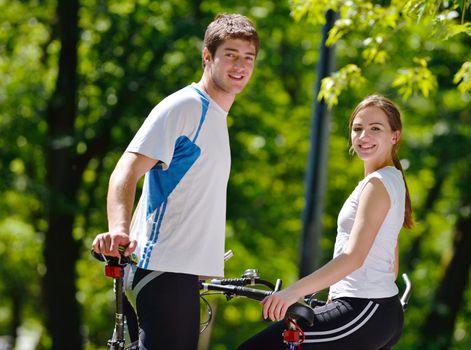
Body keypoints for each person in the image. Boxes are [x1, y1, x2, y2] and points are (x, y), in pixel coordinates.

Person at [91, 13, 259, 350]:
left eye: (248, 57)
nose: (240, 65)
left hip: (180, 274)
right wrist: (119, 230)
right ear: (207, 57)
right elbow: (126, 169)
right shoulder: (186, 106)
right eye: (230, 55)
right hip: (162, 269)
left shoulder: (216, 116)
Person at [238, 95, 414, 350]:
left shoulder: (377, 184)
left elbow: (354, 257)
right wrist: (338, 292)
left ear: (395, 136)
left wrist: (292, 293)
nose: (364, 135)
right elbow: (391, 259)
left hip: (363, 311)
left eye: (375, 128)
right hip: (377, 311)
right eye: (358, 128)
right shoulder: (391, 179)